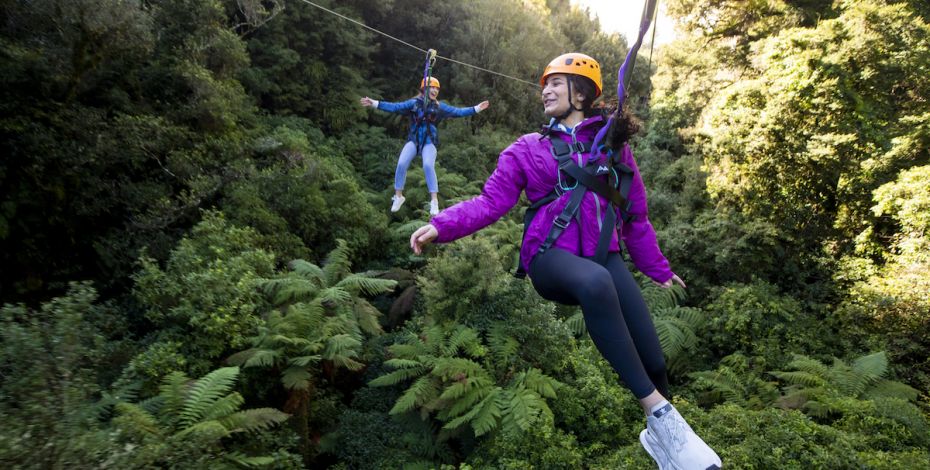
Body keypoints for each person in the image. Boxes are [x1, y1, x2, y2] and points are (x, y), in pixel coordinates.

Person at [409, 53, 722, 470]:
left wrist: (658, 269)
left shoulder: (612, 149)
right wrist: (441, 224)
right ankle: (660, 415)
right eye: (545, 84)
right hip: (549, 256)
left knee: (655, 360)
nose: (546, 90)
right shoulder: (527, 149)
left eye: (557, 83)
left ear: (581, 92)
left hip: (604, 257)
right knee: (594, 284)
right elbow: (489, 202)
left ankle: (660, 441)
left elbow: (636, 216)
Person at [360, 77, 490, 215]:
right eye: (432, 87)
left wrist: (476, 109)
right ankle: (398, 196)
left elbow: (458, 112)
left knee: (428, 165)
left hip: (429, 142)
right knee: (401, 163)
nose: (435, 90)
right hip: (414, 140)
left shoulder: (440, 107)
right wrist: (374, 103)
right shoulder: (414, 104)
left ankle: (434, 201)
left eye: (437, 88)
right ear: (425, 89)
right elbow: (395, 107)